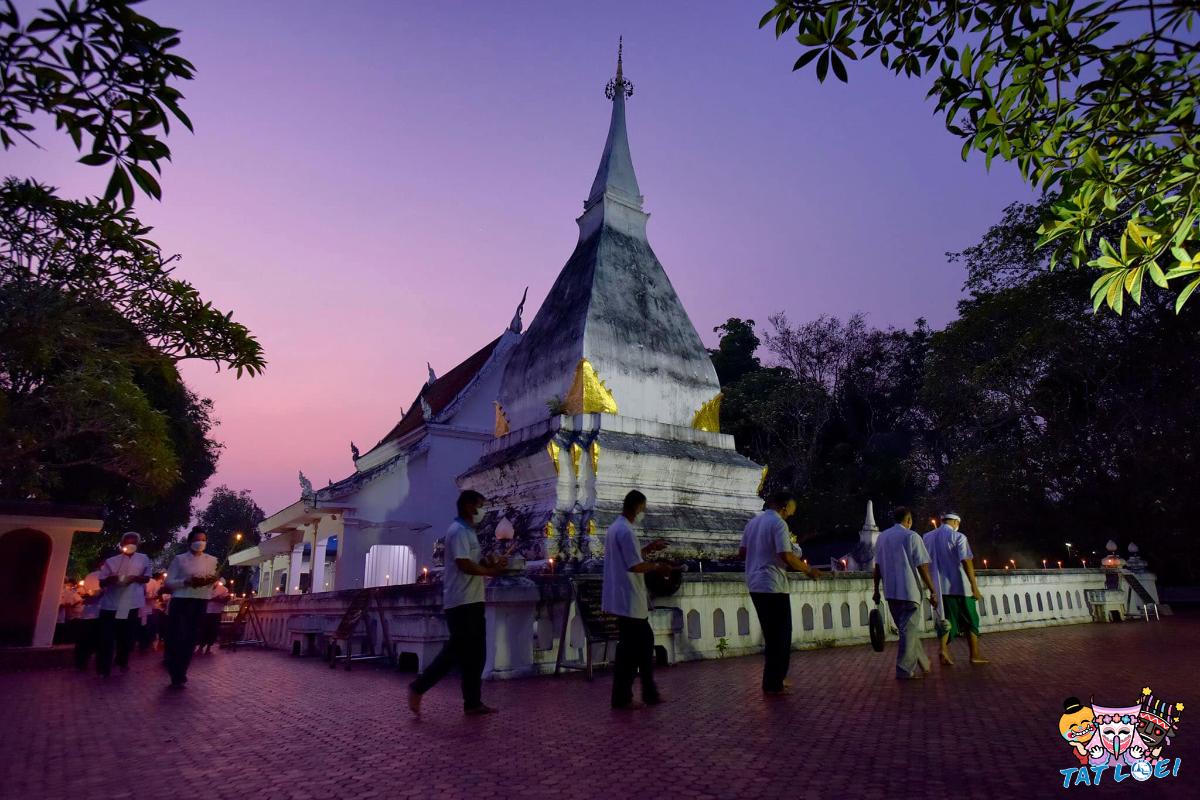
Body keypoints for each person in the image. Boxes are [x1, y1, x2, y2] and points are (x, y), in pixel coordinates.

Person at [408, 490, 507, 717]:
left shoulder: (469, 532)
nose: (482, 510)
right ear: (468, 506)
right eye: (480, 505)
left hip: (473, 599)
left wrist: (490, 562)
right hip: (461, 602)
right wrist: (489, 570)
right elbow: (463, 564)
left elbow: (472, 562)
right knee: (455, 652)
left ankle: (472, 702)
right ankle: (418, 687)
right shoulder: (458, 531)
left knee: (477, 654)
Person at [739, 490, 823, 696]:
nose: (791, 515)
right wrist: (808, 570)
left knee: (771, 635)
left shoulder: (753, 523)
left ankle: (773, 680)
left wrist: (760, 554)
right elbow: (785, 554)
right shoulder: (778, 524)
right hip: (773, 584)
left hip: (755, 583)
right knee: (781, 636)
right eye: (790, 511)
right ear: (783, 507)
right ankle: (775, 681)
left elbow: (742, 552)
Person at [602, 490, 672, 710]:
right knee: (636, 650)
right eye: (643, 508)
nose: (643, 512)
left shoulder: (616, 528)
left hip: (624, 600)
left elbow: (631, 555)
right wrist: (659, 567)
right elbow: (635, 565)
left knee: (635, 649)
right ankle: (628, 696)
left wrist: (649, 548)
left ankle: (641, 693)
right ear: (636, 507)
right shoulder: (626, 531)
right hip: (630, 600)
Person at [873, 507, 938, 680]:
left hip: (891, 591)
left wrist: (876, 590)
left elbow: (877, 567)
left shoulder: (882, 537)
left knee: (907, 630)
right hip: (910, 591)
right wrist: (932, 590)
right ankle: (904, 669)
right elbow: (922, 566)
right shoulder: (911, 536)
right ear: (908, 520)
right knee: (908, 631)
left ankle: (923, 661)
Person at [923, 512, 988, 665]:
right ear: (955, 522)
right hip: (961, 587)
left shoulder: (927, 537)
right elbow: (966, 561)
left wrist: (931, 588)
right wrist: (974, 586)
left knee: (946, 620)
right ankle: (975, 655)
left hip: (939, 587)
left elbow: (923, 563)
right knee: (971, 620)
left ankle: (943, 650)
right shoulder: (959, 537)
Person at [163, 527, 219, 687]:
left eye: (203, 540)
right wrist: (185, 582)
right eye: (196, 539)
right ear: (190, 542)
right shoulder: (180, 560)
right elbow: (169, 582)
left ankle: (181, 672)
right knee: (177, 636)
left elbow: (212, 582)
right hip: (181, 600)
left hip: (199, 600)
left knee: (190, 638)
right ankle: (173, 667)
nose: (200, 543)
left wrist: (210, 583)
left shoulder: (212, 560)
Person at [96, 532, 153, 676]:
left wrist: (135, 578)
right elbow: (102, 582)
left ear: (138, 545)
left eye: (133, 543)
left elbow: (146, 578)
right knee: (106, 637)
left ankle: (122, 661)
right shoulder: (111, 561)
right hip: (111, 603)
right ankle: (104, 668)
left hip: (130, 603)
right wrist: (112, 579)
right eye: (127, 543)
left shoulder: (144, 559)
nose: (130, 546)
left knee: (126, 636)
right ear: (121, 545)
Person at [74, 559, 104, 670]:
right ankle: (96, 665)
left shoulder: (91, 576)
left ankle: (81, 663)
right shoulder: (99, 576)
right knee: (97, 641)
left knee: (85, 641)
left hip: (89, 613)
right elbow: (94, 593)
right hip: (99, 613)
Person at [198, 578, 230, 654]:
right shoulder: (206, 588)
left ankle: (208, 648)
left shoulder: (223, 589)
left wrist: (216, 599)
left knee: (213, 630)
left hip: (216, 612)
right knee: (203, 630)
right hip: (206, 612)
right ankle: (200, 648)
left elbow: (227, 599)